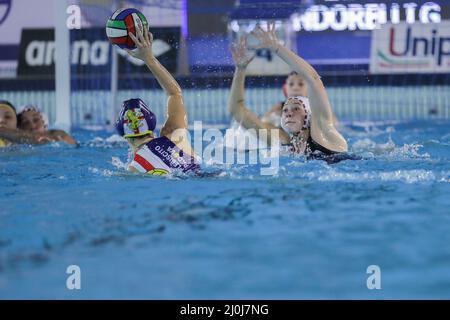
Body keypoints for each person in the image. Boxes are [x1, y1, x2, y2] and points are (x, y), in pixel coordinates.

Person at [228, 23, 348, 161]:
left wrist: (277, 48)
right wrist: (240, 69)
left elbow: (314, 79)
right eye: (285, 111)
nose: (289, 113)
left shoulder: (324, 132)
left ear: (308, 116)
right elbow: (236, 111)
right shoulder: (282, 140)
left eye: (296, 108)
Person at [115, 27, 199, 175]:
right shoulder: (174, 136)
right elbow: (175, 93)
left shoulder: (133, 169)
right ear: (152, 126)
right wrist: (149, 59)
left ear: (124, 136)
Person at [0, 101, 77, 146]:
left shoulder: (57, 135)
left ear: (44, 123)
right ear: (18, 128)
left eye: (36, 119)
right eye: (25, 122)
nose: (32, 126)